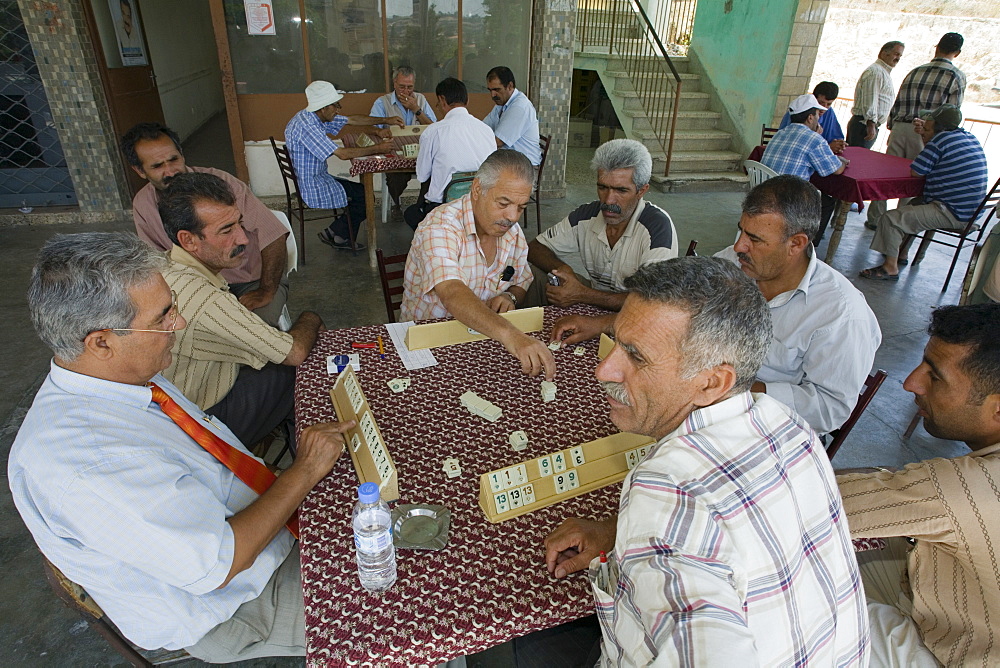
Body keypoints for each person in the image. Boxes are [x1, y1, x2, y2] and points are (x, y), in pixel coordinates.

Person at [9, 231, 351, 661]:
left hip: (262, 528)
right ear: (101, 342)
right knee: (418, 605)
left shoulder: (120, 378)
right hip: (238, 602)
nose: (179, 323)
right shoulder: (87, 464)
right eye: (162, 317)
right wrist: (303, 471)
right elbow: (221, 563)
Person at [541, 257, 869, 666]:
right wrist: (619, 532)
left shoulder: (666, 487)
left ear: (712, 382)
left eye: (636, 356)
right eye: (617, 343)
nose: (604, 370)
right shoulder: (785, 421)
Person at [551, 175, 882, 436]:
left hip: (768, 429)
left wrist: (731, 391)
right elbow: (673, 318)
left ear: (796, 244)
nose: (739, 246)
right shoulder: (732, 262)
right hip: (700, 395)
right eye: (741, 231)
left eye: (756, 239)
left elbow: (830, 409)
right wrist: (602, 323)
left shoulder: (842, 314)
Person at [836, 303, 1000, 666]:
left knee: (800, 598)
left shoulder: (961, 488)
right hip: (963, 613)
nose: (911, 382)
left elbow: (810, 502)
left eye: (935, 376)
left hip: (953, 656)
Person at [158, 172, 325, 449]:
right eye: (226, 231)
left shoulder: (167, 265)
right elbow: (293, 352)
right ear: (188, 240)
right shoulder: (204, 298)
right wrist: (311, 317)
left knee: (274, 351)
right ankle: (307, 462)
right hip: (199, 424)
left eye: (240, 224)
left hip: (182, 404)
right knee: (298, 368)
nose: (244, 239)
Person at [401, 149, 555, 379]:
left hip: (484, 339)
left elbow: (519, 279)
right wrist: (511, 335)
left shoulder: (512, 232)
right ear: (477, 189)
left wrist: (509, 297)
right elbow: (452, 292)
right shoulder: (440, 226)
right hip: (430, 343)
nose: (512, 216)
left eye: (521, 207)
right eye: (503, 203)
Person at [123, 122, 290, 328]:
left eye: (173, 159)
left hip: (252, 281)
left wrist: (266, 290)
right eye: (157, 166)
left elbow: (273, 233)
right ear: (140, 171)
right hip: (197, 289)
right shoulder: (143, 204)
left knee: (255, 331)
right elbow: (155, 262)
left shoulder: (221, 184)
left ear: (182, 155)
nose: (170, 171)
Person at [527, 139, 677, 310]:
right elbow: (535, 247)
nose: (608, 200)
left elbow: (652, 302)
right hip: (595, 297)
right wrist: (563, 269)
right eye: (603, 187)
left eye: (621, 190)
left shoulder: (657, 228)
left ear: (641, 191)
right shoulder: (587, 215)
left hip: (636, 315)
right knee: (536, 274)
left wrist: (582, 294)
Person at [860, 104, 987, 281]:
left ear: (938, 127)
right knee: (914, 204)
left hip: (952, 212)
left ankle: (890, 267)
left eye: (927, 128)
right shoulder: (967, 136)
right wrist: (928, 136)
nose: (923, 130)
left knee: (890, 219)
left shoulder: (940, 140)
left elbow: (917, 171)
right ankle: (901, 253)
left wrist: (928, 140)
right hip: (970, 211)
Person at [284, 80, 404, 250]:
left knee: (362, 194)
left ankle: (339, 235)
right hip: (313, 184)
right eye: (335, 105)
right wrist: (378, 148)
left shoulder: (311, 115)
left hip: (316, 177)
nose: (338, 109)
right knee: (365, 196)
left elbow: (352, 120)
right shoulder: (308, 127)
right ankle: (336, 232)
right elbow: (343, 154)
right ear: (324, 107)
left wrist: (385, 120)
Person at [866, 32, 966, 230]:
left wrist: (893, 125)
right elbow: (952, 115)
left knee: (885, 177)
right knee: (913, 180)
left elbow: (898, 100)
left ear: (936, 47)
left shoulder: (916, 71)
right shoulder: (956, 76)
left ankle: (875, 219)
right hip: (926, 133)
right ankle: (898, 227)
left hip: (900, 127)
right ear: (958, 53)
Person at [402, 77, 496, 230]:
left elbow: (422, 175)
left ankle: (431, 244)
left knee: (411, 213)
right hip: (478, 208)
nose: (438, 106)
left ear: (442, 99)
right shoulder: (486, 130)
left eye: (438, 103)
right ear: (466, 100)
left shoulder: (434, 131)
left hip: (443, 211)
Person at [762, 93, 846, 243]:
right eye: (817, 114)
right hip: (787, 198)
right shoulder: (814, 139)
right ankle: (808, 246)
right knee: (826, 202)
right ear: (810, 118)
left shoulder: (780, 133)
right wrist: (843, 161)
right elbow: (836, 170)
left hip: (764, 192)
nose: (819, 118)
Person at [370, 66, 438, 211]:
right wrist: (380, 131)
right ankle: (396, 203)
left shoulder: (420, 99)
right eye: (402, 87)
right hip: (395, 152)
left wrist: (417, 110)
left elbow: (434, 128)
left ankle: (421, 207)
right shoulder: (383, 102)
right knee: (395, 178)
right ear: (394, 83)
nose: (406, 92)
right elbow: (371, 126)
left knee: (434, 171)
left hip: (419, 153)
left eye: (409, 87)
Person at [847, 41, 905, 149]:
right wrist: (871, 124)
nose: (898, 58)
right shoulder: (876, 72)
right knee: (857, 160)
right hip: (864, 125)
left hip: (868, 124)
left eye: (900, 56)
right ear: (884, 53)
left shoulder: (882, 72)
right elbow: (870, 99)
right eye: (896, 54)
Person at [483, 66, 541, 166]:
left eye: (497, 89)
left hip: (524, 169)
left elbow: (498, 142)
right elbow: (484, 127)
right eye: (490, 90)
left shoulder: (520, 107)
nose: (493, 95)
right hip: (509, 161)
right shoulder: (501, 104)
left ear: (510, 86)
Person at [778, 81, 846, 151]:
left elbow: (835, 136)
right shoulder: (798, 111)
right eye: (820, 103)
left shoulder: (829, 112)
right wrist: (827, 148)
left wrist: (838, 144)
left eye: (828, 104)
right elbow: (793, 145)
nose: (824, 108)